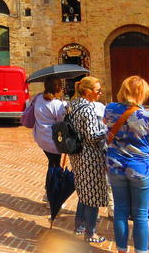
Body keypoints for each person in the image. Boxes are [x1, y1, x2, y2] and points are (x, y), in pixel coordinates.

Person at [104, 76, 149, 253]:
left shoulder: (110, 108)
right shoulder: (146, 116)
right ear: (142, 93)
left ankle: (122, 249)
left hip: (115, 165)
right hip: (139, 167)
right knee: (140, 214)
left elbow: (107, 123)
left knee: (120, 210)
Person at [66, 76, 108, 244]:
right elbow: (92, 136)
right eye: (97, 90)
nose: (100, 93)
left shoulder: (73, 105)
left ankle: (79, 227)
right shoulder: (88, 109)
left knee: (83, 192)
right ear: (87, 91)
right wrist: (108, 129)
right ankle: (90, 233)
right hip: (90, 156)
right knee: (93, 196)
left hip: (76, 154)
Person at [32, 77, 66, 201]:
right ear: (58, 88)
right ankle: (51, 194)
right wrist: (63, 106)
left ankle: (49, 192)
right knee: (55, 166)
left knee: (52, 164)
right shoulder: (57, 104)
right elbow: (61, 123)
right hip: (53, 142)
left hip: (41, 137)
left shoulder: (38, 98)